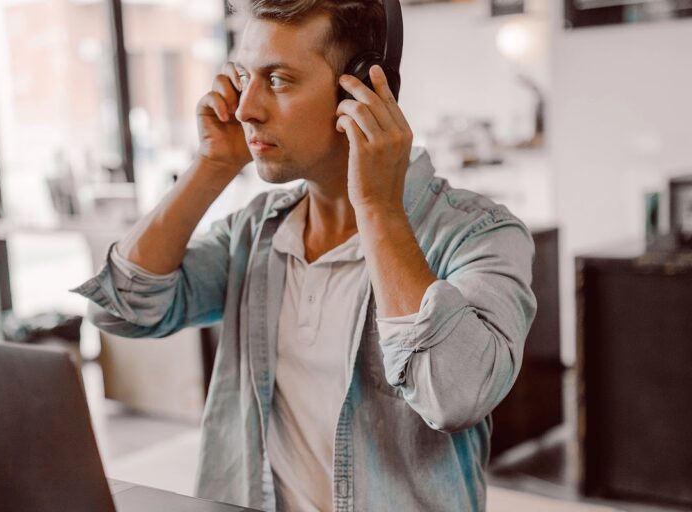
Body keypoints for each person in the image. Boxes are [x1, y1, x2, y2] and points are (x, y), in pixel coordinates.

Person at [72, 0, 536, 510]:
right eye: (245, 76)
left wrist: (378, 209)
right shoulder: (256, 231)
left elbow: (455, 395)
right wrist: (212, 164)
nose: (246, 107)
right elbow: (119, 308)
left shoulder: (480, 235)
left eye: (278, 80)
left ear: (361, 89)